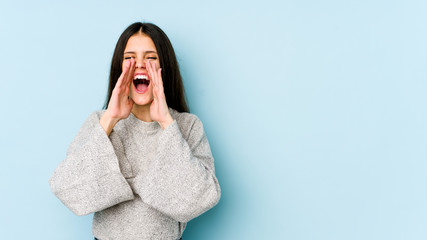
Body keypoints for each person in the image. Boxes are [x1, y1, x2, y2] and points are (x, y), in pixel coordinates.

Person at [49, 22, 221, 240]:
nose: (140, 65)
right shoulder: (99, 122)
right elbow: (67, 188)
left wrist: (166, 122)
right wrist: (110, 118)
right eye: (130, 58)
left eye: (151, 58)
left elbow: (203, 197)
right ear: (119, 68)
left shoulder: (188, 126)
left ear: (164, 68)